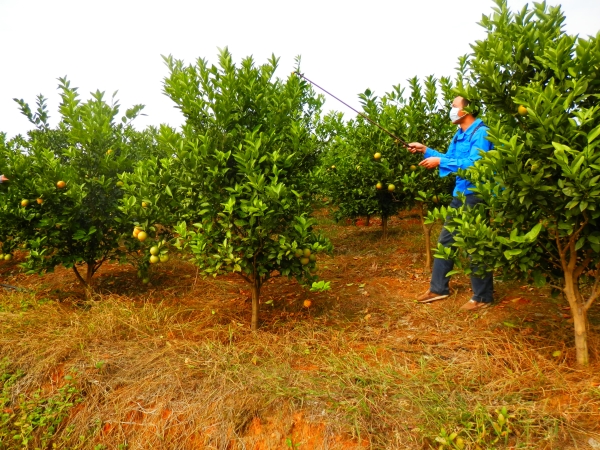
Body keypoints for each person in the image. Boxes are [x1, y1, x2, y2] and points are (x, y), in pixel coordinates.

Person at [408, 96, 493, 311]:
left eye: (454, 106)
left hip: (475, 195)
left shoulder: (481, 133)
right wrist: (425, 149)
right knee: (446, 241)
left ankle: (482, 298)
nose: (451, 110)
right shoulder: (460, 135)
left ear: (466, 111)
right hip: (460, 194)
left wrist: (441, 161)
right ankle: (438, 289)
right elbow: (449, 158)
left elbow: (474, 164)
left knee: (475, 244)